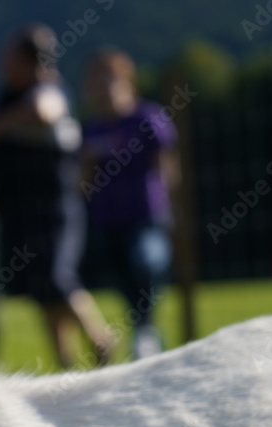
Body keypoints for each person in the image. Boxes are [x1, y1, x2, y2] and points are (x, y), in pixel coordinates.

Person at [0, 25, 111, 369]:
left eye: (10, 58)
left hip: (56, 206)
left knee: (58, 276)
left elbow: (44, 111)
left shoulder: (49, 90)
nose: (4, 64)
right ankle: (65, 362)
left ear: (32, 63)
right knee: (42, 286)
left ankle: (99, 340)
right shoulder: (6, 97)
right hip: (20, 209)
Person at [80, 47, 178, 359]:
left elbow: (167, 165)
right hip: (107, 218)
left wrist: (170, 208)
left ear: (125, 82)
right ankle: (143, 329)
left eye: (106, 80)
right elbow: (83, 181)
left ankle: (145, 332)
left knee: (146, 263)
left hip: (146, 214)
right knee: (122, 278)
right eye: (95, 82)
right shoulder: (92, 128)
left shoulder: (146, 118)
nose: (101, 88)